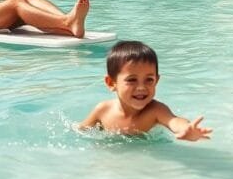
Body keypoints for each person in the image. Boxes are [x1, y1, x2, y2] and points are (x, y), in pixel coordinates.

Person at [79, 41, 212, 141]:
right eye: (132, 80)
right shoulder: (102, 110)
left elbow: (173, 121)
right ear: (111, 83)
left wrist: (186, 128)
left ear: (157, 81)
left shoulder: (155, 110)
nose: (141, 87)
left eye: (149, 80)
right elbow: (81, 130)